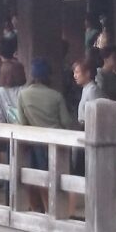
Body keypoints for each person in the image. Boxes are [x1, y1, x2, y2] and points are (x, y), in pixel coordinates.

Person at [18, 58, 75, 211]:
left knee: (36, 177)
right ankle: (60, 209)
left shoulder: (23, 94)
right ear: (48, 76)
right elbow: (66, 121)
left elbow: (22, 122)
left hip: (35, 142)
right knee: (60, 177)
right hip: (57, 141)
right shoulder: (56, 96)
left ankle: (38, 209)